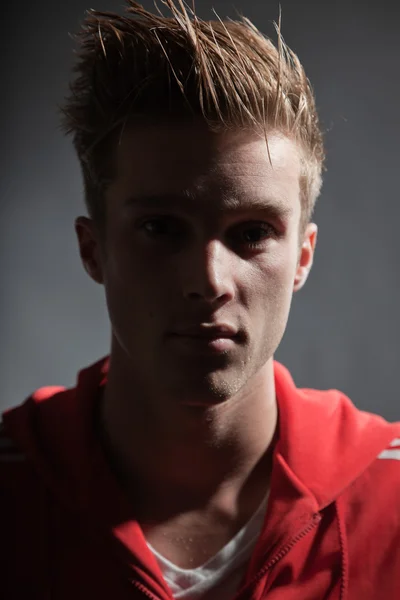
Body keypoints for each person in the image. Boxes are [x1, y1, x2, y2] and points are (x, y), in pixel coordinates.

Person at [1, 1, 399, 598]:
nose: (209, 280)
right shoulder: (11, 488)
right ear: (93, 250)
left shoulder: (391, 496)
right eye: (161, 228)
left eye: (252, 233)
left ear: (303, 258)